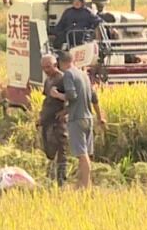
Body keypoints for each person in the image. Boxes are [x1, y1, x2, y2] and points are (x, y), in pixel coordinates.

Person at [55, 50, 106, 190]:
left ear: (61, 63)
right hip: (88, 118)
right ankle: (84, 184)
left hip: (77, 119)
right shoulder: (84, 75)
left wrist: (57, 95)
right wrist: (100, 117)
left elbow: (72, 96)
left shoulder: (68, 74)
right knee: (85, 154)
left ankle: (84, 186)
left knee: (82, 155)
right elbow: (93, 97)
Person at [36, 54, 69, 186]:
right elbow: (47, 100)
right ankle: (50, 179)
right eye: (43, 67)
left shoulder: (63, 79)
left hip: (58, 122)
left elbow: (73, 98)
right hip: (47, 120)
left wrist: (65, 111)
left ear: (55, 65)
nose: (46, 70)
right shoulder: (48, 81)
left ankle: (61, 181)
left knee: (61, 151)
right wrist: (41, 117)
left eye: (48, 67)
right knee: (49, 152)